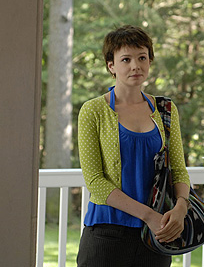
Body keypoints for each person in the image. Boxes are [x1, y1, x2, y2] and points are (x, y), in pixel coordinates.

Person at [77, 25, 191, 267]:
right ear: (111, 66)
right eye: (126, 59)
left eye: (142, 58)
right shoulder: (93, 111)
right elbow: (95, 182)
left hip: (157, 235)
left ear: (150, 61)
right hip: (107, 233)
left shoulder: (166, 110)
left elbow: (178, 170)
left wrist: (181, 207)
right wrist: (148, 215)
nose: (135, 66)